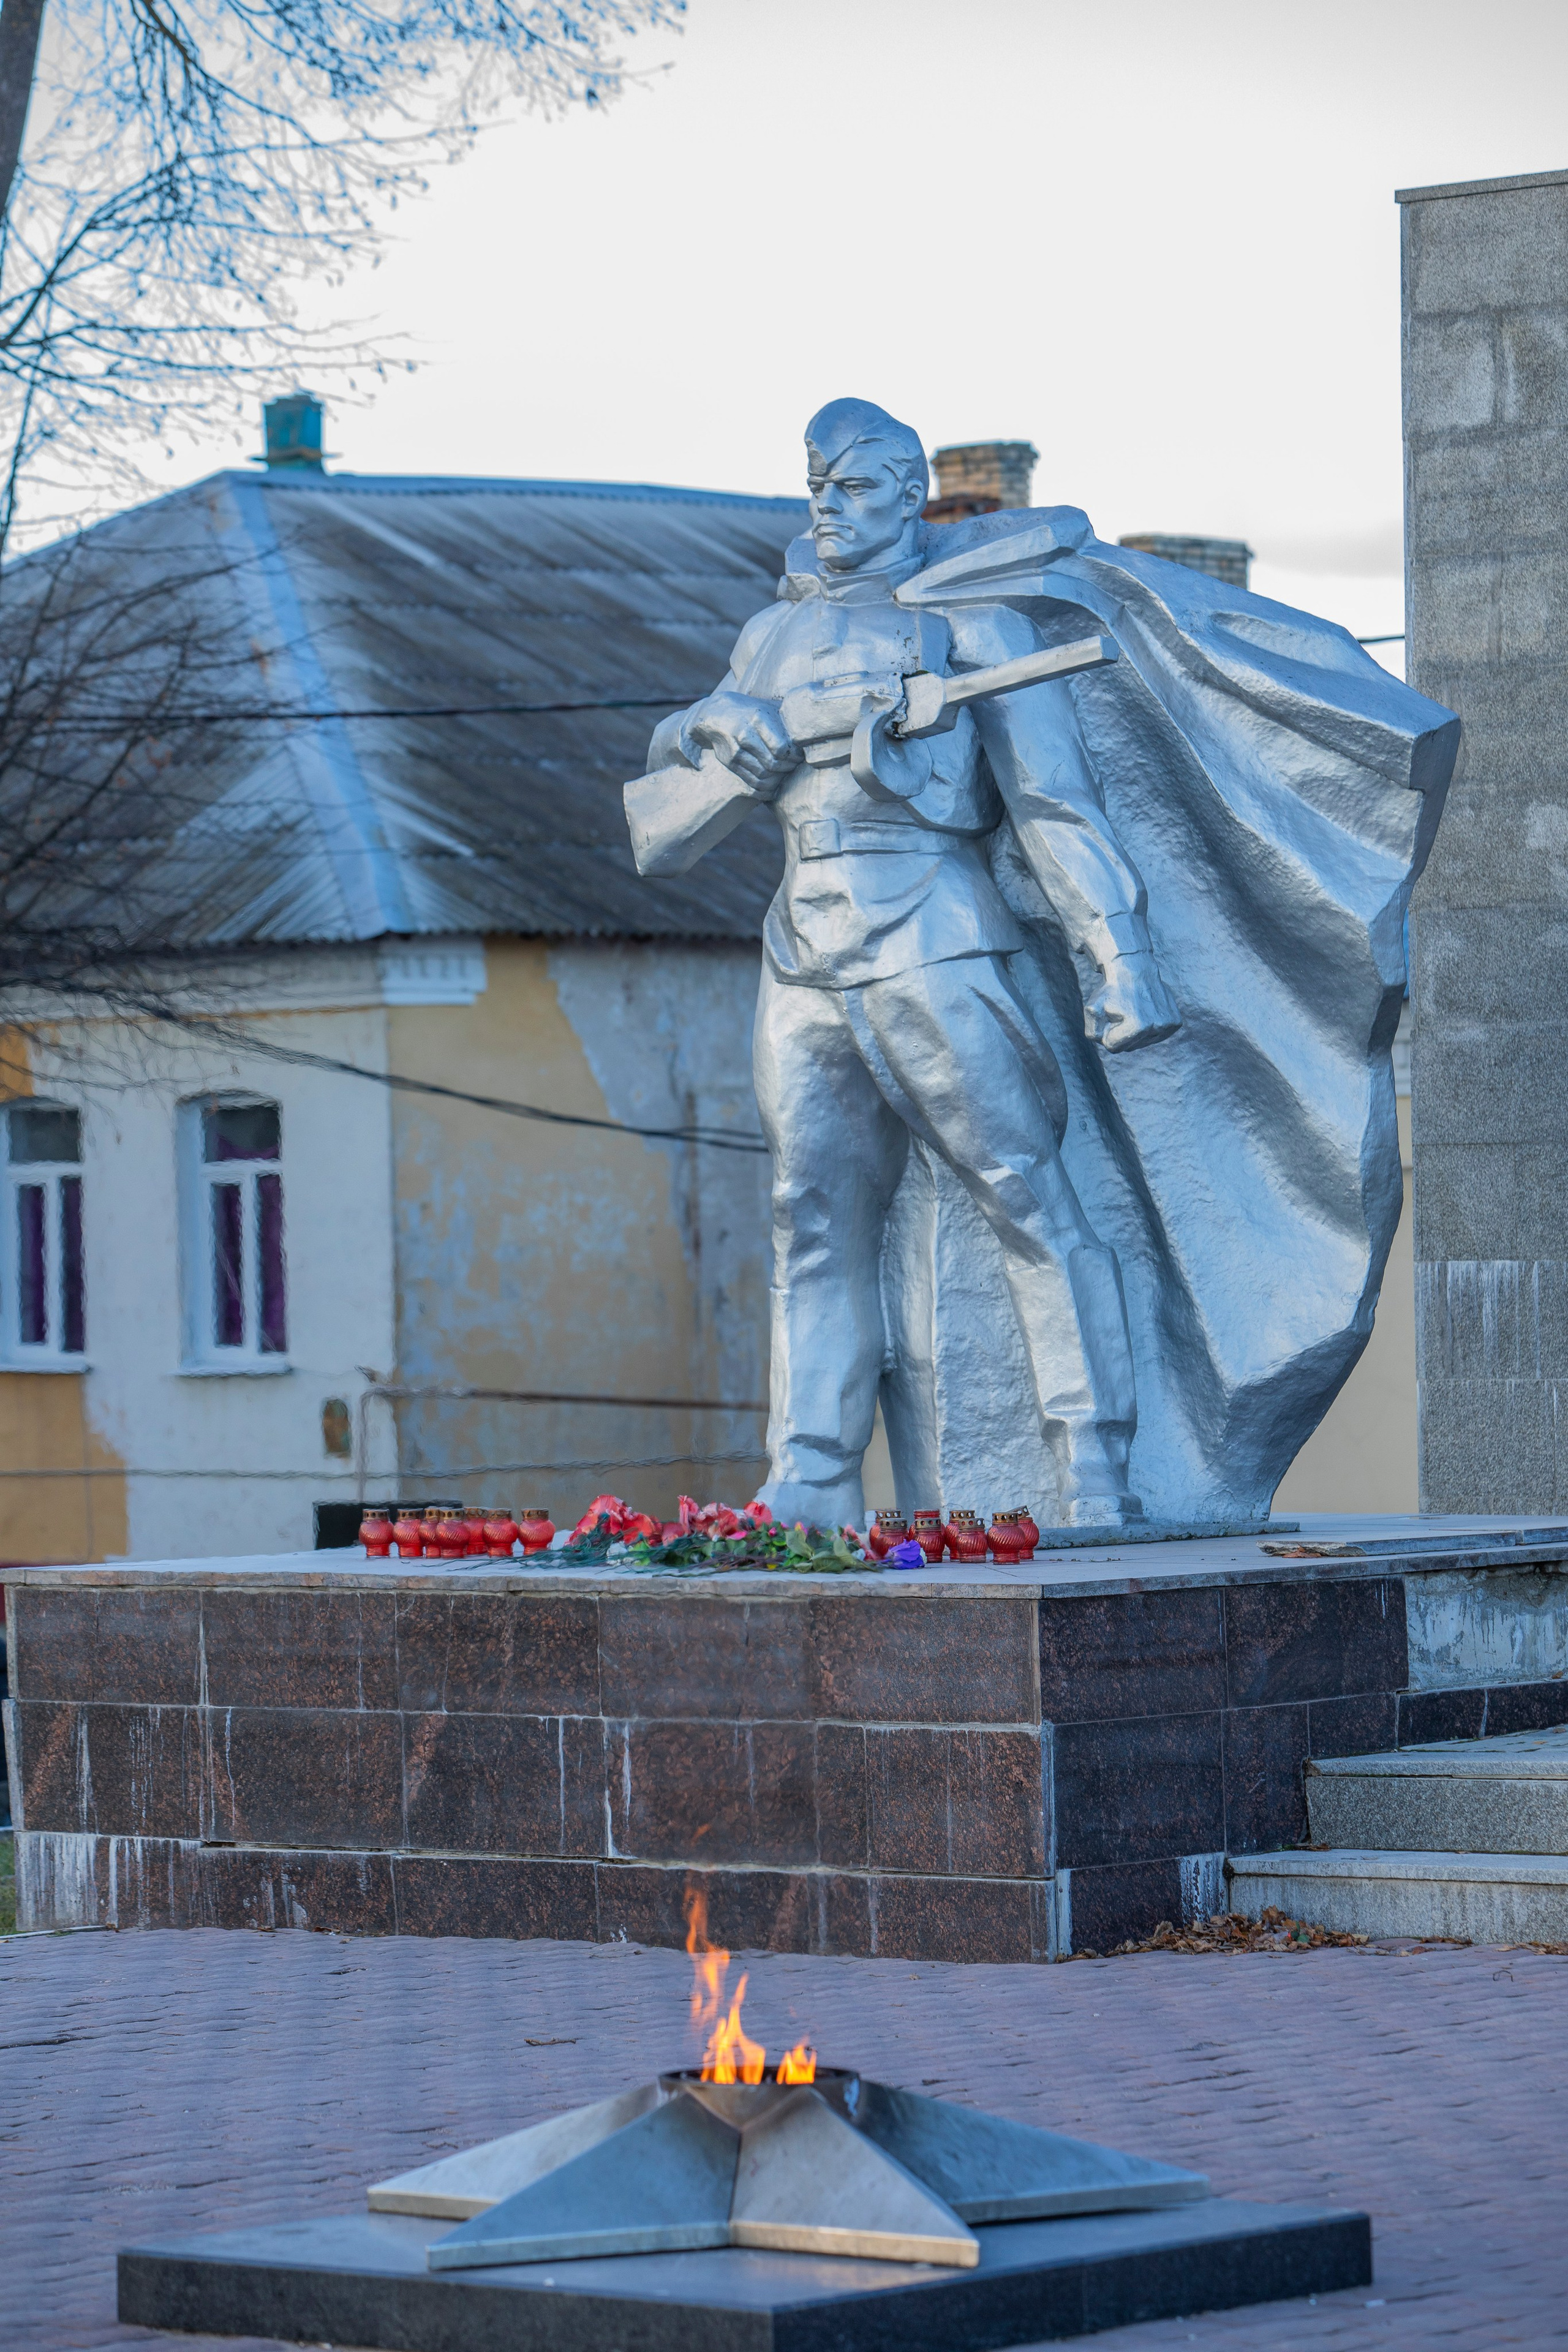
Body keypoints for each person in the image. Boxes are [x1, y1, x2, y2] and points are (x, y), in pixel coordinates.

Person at [635, 398, 1180, 1530]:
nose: (829, 508)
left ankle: (1092, 1459)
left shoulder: (976, 629)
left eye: (854, 486)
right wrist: (711, 729)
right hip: (801, 949)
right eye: (817, 486)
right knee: (810, 1215)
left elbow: (1056, 807)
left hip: (932, 929)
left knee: (1026, 1192)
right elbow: (674, 763)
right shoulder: (770, 634)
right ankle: (812, 1470)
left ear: (910, 490)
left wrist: (1120, 955)